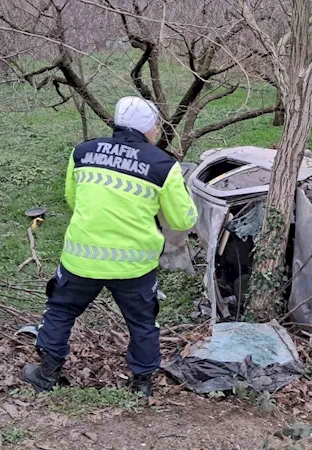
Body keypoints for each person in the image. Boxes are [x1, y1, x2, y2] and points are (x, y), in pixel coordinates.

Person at [23, 96, 198, 396]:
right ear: (148, 128)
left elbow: (73, 199)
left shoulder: (83, 152)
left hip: (81, 259)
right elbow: (183, 220)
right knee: (143, 322)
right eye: (155, 125)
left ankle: (46, 375)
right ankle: (141, 385)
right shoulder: (163, 165)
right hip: (134, 266)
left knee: (60, 311)